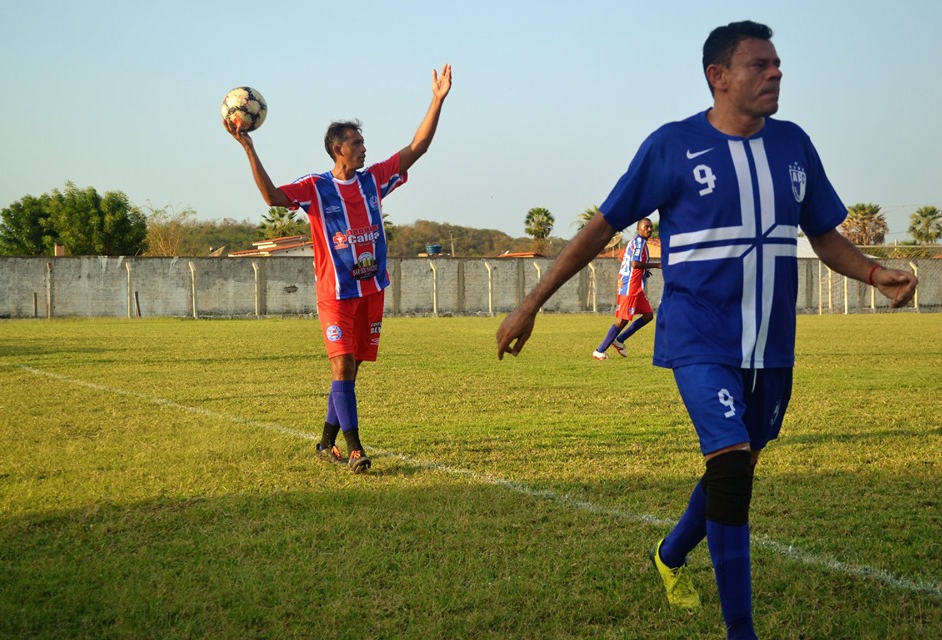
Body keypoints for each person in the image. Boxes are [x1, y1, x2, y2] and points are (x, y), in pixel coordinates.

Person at [497, 21, 916, 640]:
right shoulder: (672, 146)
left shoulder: (795, 145)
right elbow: (598, 228)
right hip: (698, 337)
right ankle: (740, 631)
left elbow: (823, 234)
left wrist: (874, 271)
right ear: (718, 77)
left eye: (777, 64)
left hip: (771, 345)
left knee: (739, 464)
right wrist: (531, 301)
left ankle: (670, 553)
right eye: (760, 65)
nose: (776, 73)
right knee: (729, 469)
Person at [225, 64, 452, 473]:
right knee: (342, 365)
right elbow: (274, 197)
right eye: (356, 143)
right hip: (336, 294)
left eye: (364, 142)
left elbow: (417, 147)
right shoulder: (315, 186)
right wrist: (248, 147)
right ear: (338, 150)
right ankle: (354, 448)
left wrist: (436, 100)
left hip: (371, 291)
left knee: (352, 369)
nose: (364, 149)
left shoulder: (374, 180)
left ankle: (326, 441)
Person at [592, 217, 661, 360]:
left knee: (648, 315)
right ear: (638, 229)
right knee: (622, 320)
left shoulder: (636, 242)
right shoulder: (639, 243)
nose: (649, 229)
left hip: (635, 287)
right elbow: (635, 264)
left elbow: (623, 258)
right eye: (646, 227)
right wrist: (656, 265)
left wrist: (643, 271)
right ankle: (599, 350)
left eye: (650, 227)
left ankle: (619, 340)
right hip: (630, 287)